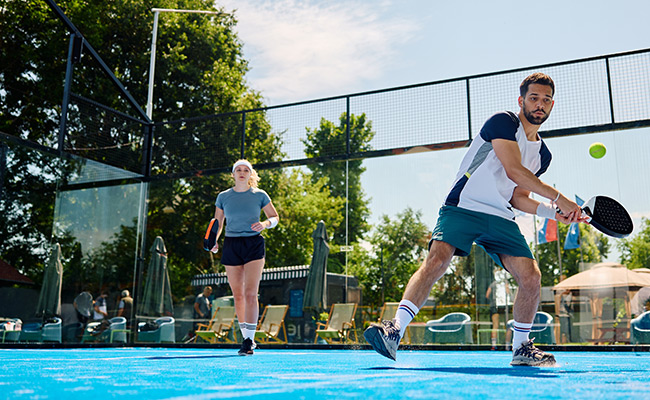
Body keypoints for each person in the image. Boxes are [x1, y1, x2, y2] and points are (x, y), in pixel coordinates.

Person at [364, 73, 587, 366]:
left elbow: (517, 196)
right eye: (533, 98)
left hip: (500, 216)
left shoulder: (543, 154)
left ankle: (521, 348)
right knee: (437, 261)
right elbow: (513, 170)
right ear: (521, 101)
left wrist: (552, 213)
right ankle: (395, 330)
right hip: (464, 205)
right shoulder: (503, 122)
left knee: (531, 277)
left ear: (552, 105)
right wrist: (559, 198)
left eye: (546, 100)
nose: (539, 105)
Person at [209, 159, 279, 356]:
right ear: (233, 174)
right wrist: (214, 240)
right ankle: (245, 336)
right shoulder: (223, 197)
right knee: (238, 295)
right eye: (238, 170)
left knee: (250, 293)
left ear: (250, 174)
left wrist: (265, 224)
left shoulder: (260, 195)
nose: (241, 172)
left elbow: (275, 217)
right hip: (231, 245)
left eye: (245, 170)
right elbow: (218, 222)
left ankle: (249, 340)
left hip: (254, 244)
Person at [485, 279, 499, 349]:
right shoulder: (495, 283)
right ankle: (495, 345)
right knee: (496, 325)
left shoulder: (493, 283)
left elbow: (487, 295)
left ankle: (494, 344)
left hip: (494, 305)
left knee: (496, 325)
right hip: (497, 305)